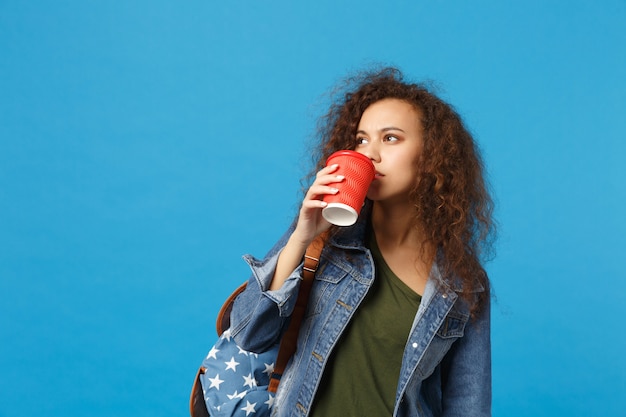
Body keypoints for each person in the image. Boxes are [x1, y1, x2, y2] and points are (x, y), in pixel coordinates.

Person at [229, 67, 496, 417]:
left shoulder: (463, 283)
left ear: (431, 155)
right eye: (361, 139)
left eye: (391, 138)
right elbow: (249, 333)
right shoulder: (323, 237)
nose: (369, 154)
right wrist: (301, 237)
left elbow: (468, 404)